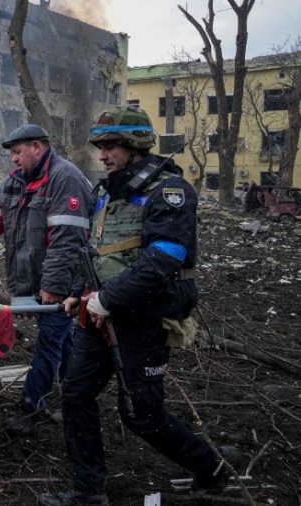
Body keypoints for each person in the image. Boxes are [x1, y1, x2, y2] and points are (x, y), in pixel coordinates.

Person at [38, 107, 243, 506]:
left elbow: (163, 259)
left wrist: (107, 300)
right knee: (76, 394)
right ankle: (87, 491)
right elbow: (97, 252)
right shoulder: (107, 191)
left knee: (141, 414)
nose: (103, 154)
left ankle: (212, 468)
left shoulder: (169, 192)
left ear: (135, 145)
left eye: (110, 145)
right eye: (100, 146)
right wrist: (78, 293)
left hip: (143, 318)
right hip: (98, 316)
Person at [0, 124, 92, 435]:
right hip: (35, 281)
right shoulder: (16, 182)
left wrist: (52, 287)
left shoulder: (65, 179)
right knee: (63, 338)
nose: (12, 159)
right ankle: (77, 393)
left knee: (51, 339)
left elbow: (68, 241)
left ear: (36, 148)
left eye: (16, 152)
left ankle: (31, 405)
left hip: (63, 282)